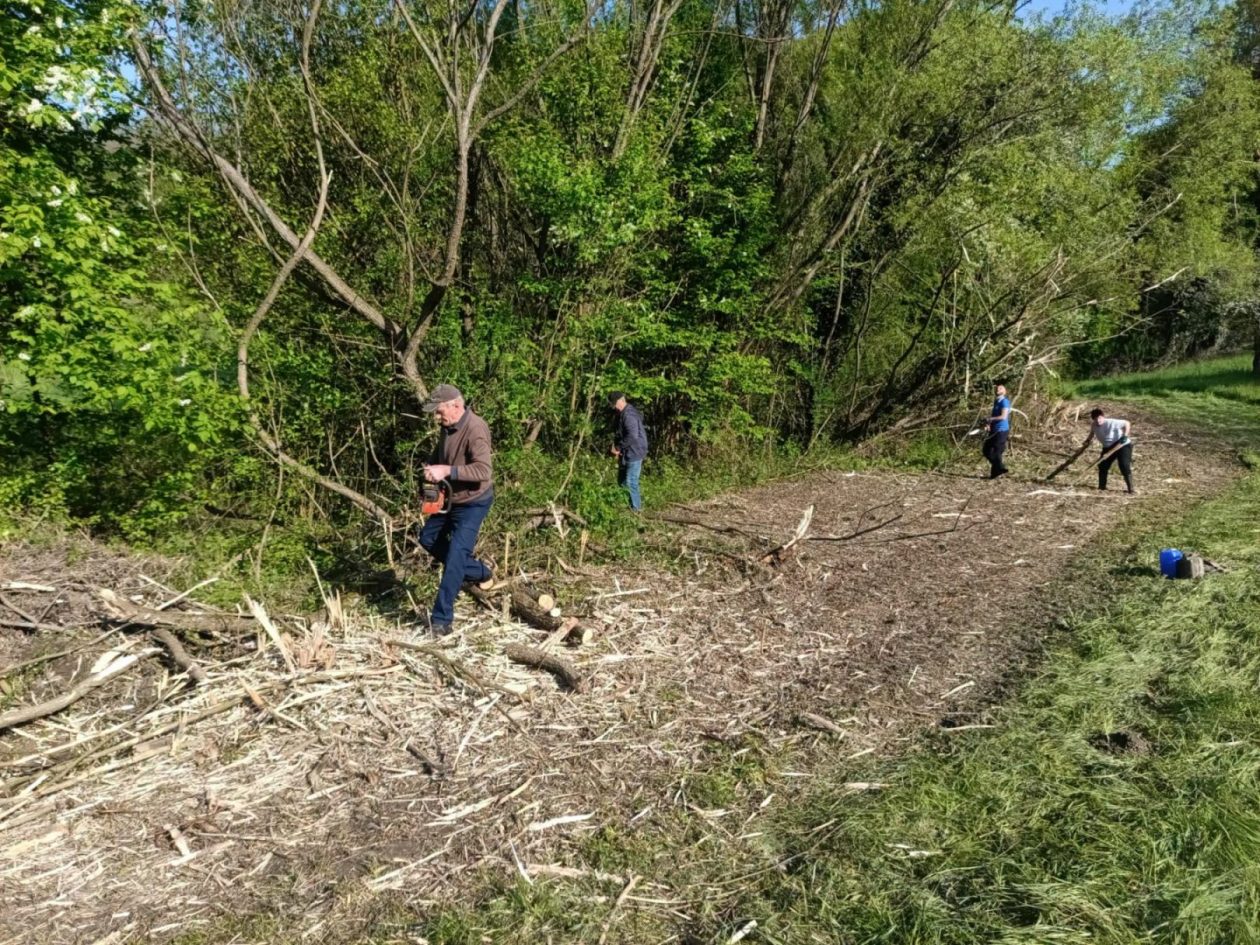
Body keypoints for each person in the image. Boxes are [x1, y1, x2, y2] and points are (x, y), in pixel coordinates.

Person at [417, 384, 494, 636]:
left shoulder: (475, 429)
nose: (436, 417)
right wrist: (431, 467)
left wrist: (447, 471)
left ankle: (441, 621)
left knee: (456, 556)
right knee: (426, 538)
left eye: (439, 412)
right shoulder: (447, 427)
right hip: (450, 499)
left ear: (456, 406)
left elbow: (483, 471)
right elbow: (440, 454)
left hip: (474, 501)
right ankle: (481, 572)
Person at [608, 391, 648, 511]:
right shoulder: (623, 413)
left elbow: (632, 436)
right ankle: (625, 505)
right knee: (622, 481)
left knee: (631, 481)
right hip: (627, 450)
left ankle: (636, 510)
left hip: (635, 451)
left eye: (614, 404)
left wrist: (618, 448)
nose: (614, 407)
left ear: (621, 400)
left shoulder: (629, 415)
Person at [1084, 407, 1134, 494]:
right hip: (1107, 447)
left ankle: (1131, 489)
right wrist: (1087, 440)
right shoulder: (1094, 425)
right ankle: (1102, 487)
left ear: (1103, 417)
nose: (1098, 421)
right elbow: (1091, 434)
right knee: (1103, 465)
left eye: (1099, 418)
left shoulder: (1112, 422)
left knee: (1124, 465)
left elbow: (1127, 423)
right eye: (1096, 419)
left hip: (1121, 445)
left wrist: (1125, 435)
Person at [981, 382, 1011, 479]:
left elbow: (1003, 416)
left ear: (1004, 391)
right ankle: (999, 469)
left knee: (997, 452)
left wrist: (990, 419)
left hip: (1002, 430)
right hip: (994, 430)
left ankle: (996, 472)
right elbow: (994, 415)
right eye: (997, 388)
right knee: (986, 450)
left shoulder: (1004, 401)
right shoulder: (996, 401)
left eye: (1001, 388)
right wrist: (988, 424)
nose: (998, 389)